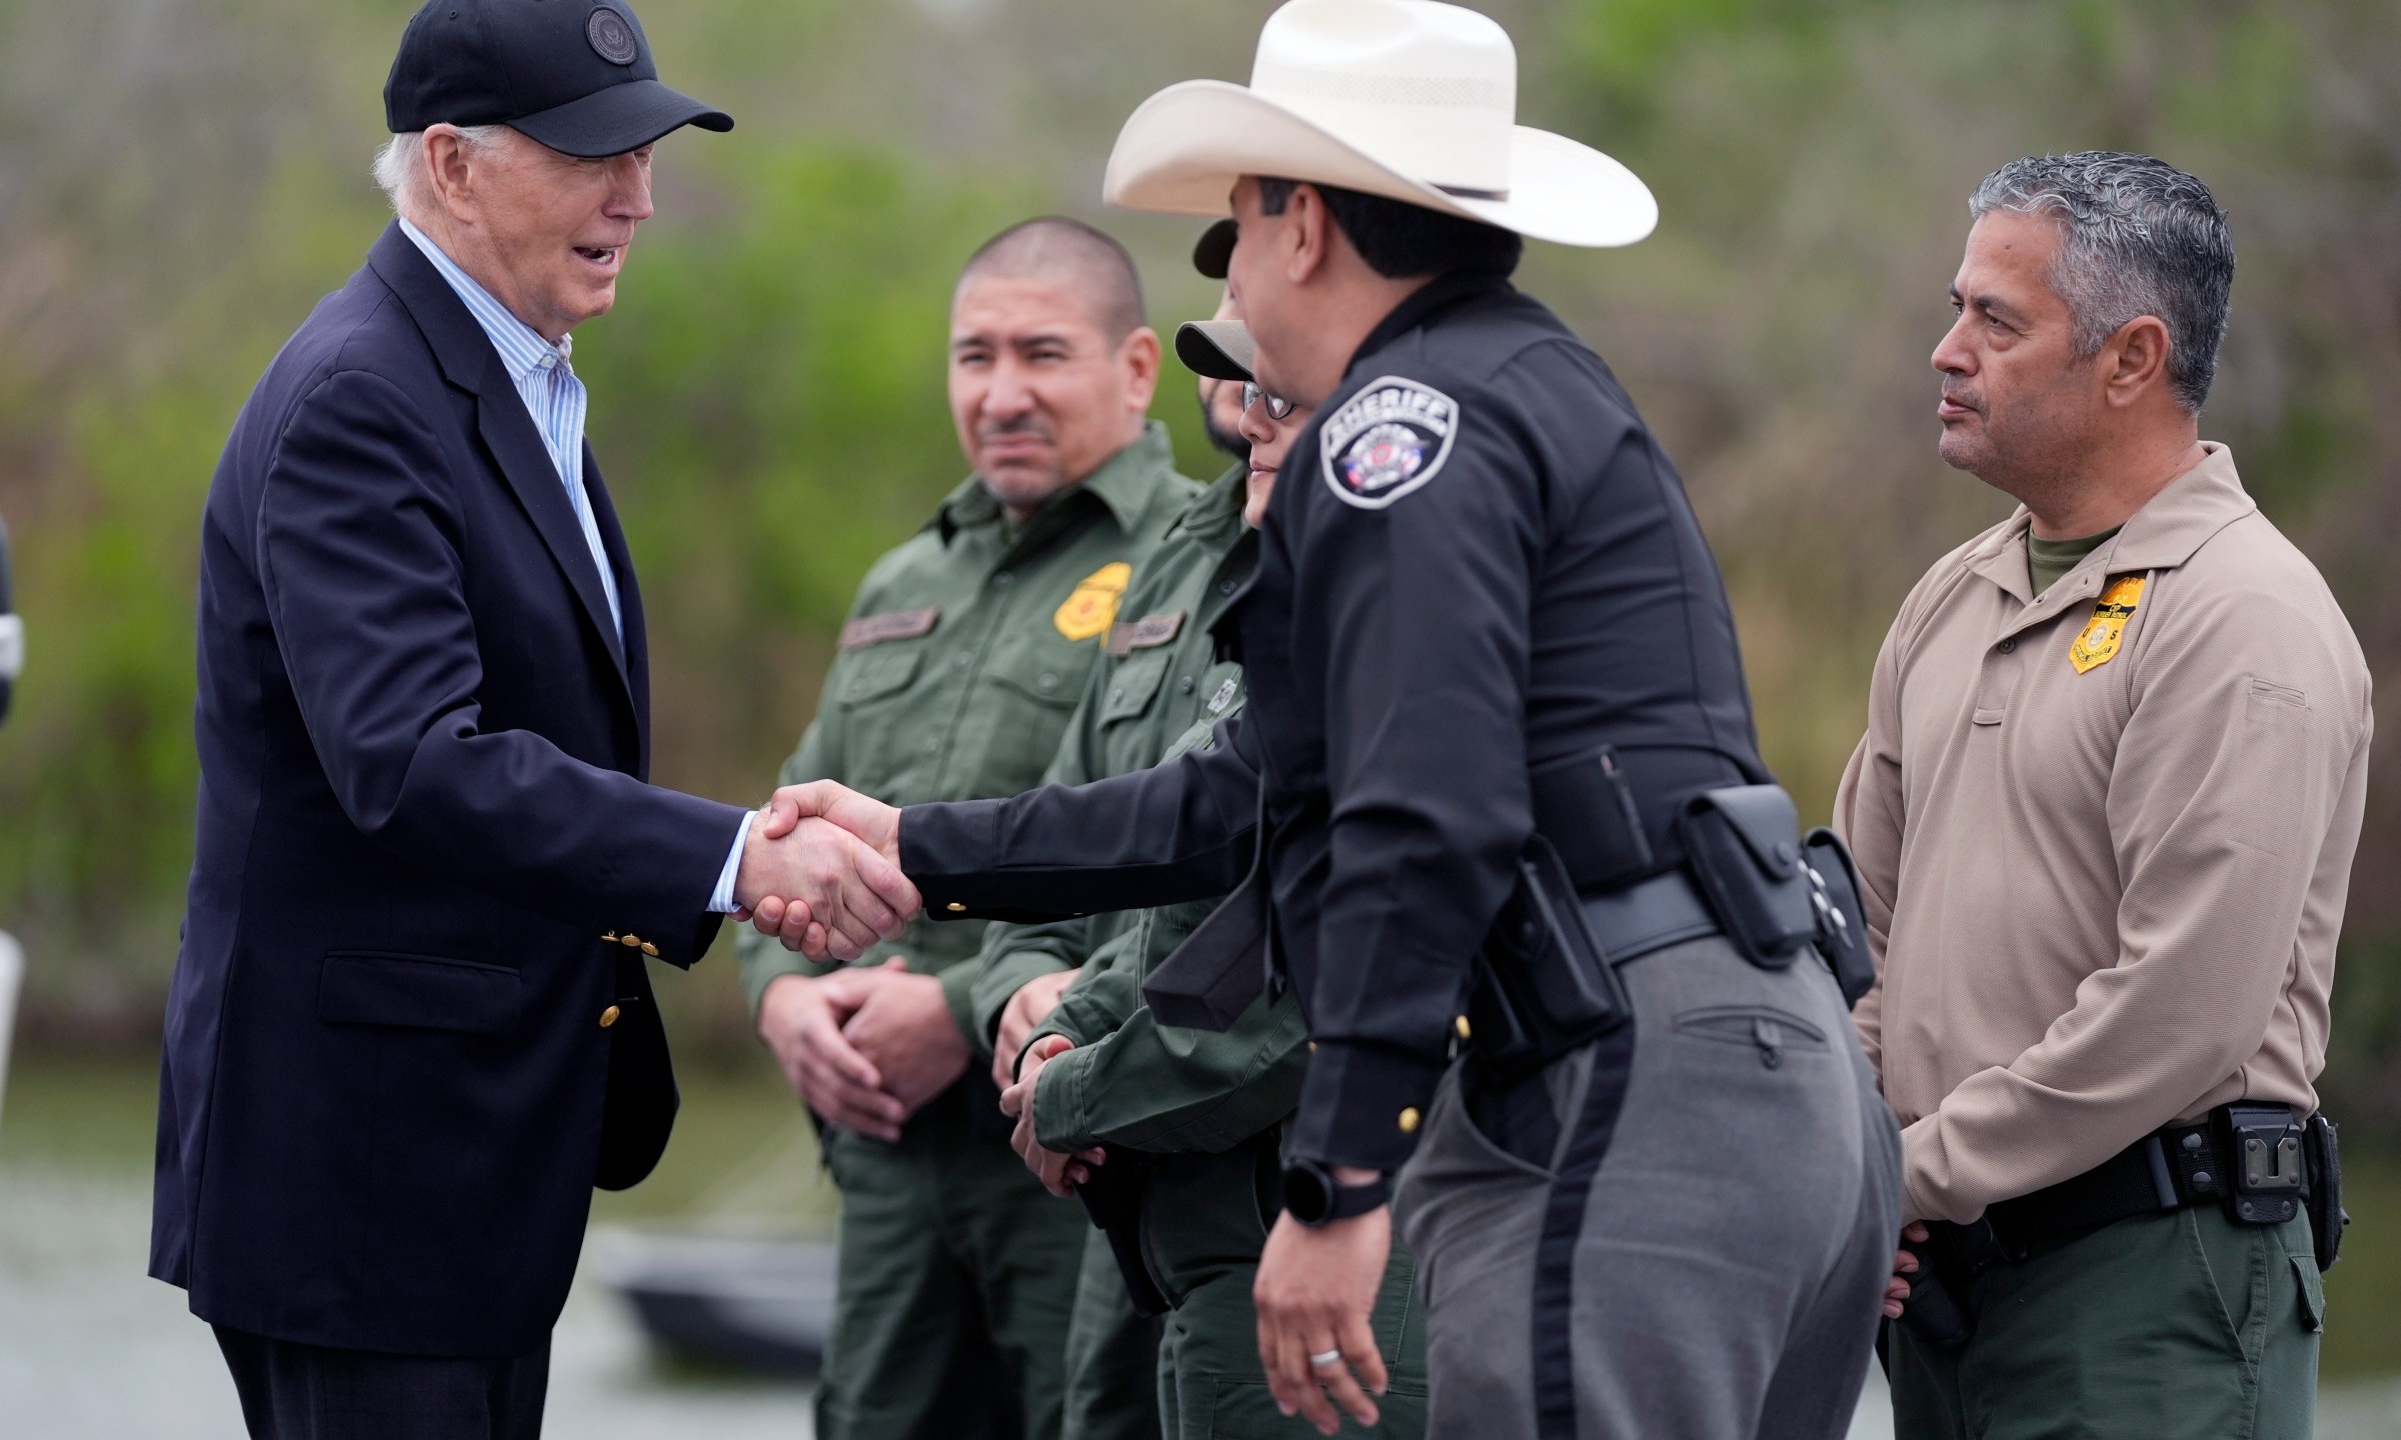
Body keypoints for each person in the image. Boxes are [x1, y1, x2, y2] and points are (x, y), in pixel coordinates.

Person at [745, 4, 1900, 1437]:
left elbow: (1423, 820)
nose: (1230, 271)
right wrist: (921, 845)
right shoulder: (1526, 383)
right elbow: (1242, 797)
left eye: (1238, 218)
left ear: (1303, 226)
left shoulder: (1393, 428)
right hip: (1760, 1070)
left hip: (1622, 1080)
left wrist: (1343, 1182)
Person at [154, 3, 918, 1435]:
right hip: (362, 1190)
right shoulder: (361, 400)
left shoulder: (511, 382)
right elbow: (412, 762)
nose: (634, 196)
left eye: (647, 154)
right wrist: (739, 858)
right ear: (447, 164)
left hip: (457, 1178)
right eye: (590, 155)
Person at [1837, 152, 2368, 1440]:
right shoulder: (1949, 598)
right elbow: (1857, 938)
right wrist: (1844, 1164)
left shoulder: (2244, 617)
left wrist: (1905, 1175)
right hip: (1941, 1289)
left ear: (2132, 359)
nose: (1945, 351)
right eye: (1957, 307)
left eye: (1995, 321)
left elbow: (2178, 1010)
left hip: (2147, 1291)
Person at [738, 217, 1201, 1440]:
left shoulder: (1197, 565)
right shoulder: (904, 583)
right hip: (886, 1164)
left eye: (1042, 354)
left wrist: (954, 1011)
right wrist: (781, 996)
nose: (1001, 394)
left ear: (1138, 367)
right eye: (972, 356)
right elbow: (793, 807)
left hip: (1073, 1152)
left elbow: (1200, 857)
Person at [985, 271, 1435, 1440]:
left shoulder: (1410, 620)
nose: (1248, 402)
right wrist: (1047, 1018)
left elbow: (1303, 981)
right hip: (1162, 1218)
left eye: (1281, 385)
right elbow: (1126, 857)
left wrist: (1071, 1084)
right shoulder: (1197, 574)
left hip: (1327, 1227)